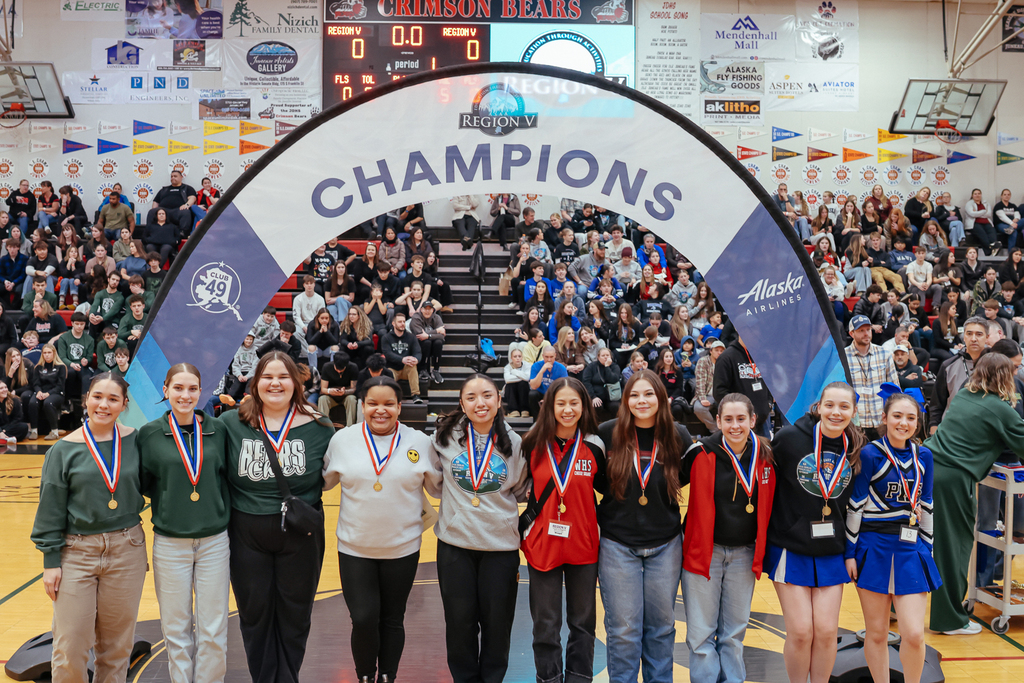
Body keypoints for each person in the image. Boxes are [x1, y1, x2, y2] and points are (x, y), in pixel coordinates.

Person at [221, 352, 335, 683]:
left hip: (301, 535)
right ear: (255, 383)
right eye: (267, 377)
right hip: (247, 533)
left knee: (295, 615)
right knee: (254, 615)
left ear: (296, 383)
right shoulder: (231, 423)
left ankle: (288, 678)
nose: (275, 383)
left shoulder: (320, 427)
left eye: (283, 377)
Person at [322, 376, 442, 683]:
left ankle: (388, 676)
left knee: (392, 618)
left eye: (389, 404)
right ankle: (365, 676)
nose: (381, 410)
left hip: (402, 548)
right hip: (354, 548)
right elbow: (322, 482)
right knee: (363, 619)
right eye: (373, 404)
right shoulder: (343, 440)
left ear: (400, 407)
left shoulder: (419, 442)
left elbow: (439, 489)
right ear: (362, 406)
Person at [30, 373, 146, 683]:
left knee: (117, 647)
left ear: (124, 404)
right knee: (71, 646)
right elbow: (50, 509)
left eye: (112, 399)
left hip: (127, 550)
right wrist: (50, 561)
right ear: (86, 399)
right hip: (76, 553)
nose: (103, 405)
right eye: (97, 396)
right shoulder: (63, 450)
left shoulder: (136, 440)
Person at [595, 370, 691, 683]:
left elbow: (689, 477)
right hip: (617, 543)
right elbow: (597, 481)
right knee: (623, 629)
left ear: (661, 398)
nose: (642, 401)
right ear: (626, 400)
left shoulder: (679, 436)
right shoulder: (608, 433)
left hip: (665, 544)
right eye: (635, 395)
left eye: (649, 394)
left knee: (662, 626)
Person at [431, 374, 527, 683]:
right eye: (471, 397)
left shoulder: (515, 443)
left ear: (499, 400)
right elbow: (433, 483)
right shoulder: (443, 438)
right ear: (461, 403)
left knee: (498, 626)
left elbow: (520, 488)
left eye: (487, 395)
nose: (480, 403)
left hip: (500, 549)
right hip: (455, 546)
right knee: (459, 625)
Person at [138, 363, 230, 683]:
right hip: (169, 543)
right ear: (165, 391)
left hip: (215, 542)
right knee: (175, 629)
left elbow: (227, 480)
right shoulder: (148, 434)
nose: (185, 395)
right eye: (178, 388)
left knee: (213, 628)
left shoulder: (219, 431)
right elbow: (143, 483)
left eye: (192, 389)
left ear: (201, 392)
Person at [767, 382, 865, 683]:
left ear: (853, 411)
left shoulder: (857, 447)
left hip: (832, 550)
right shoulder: (788, 440)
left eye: (844, 407)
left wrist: (851, 552)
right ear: (818, 406)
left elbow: (855, 507)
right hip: (789, 546)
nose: (836, 412)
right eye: (830, 405)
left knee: (826, 632)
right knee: (800, 632)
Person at [926, 353, 1024, 634]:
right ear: (1005, 376)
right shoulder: (999, 408)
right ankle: (949, 620)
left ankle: (897, 608)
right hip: (952, 478)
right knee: (953, 548)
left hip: (930, 466)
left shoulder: (965, 396)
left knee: (924, 544)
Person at [682, 393, 776, 683]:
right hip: (704, 553)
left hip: (745, 553)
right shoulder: (700, 453)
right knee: (701, 634)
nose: (735, 426)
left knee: (734, 633)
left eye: (741, 419)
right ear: (718, 421)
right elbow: (667, 485)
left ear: (752, 420)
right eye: (728, 419)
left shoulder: (767, 455)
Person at [846, 391, 939, 683]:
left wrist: (928, 550)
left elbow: (927, 505)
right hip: (873, 547)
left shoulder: (924, 455)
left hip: (911, 549)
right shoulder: (870, 453)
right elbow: (855, 505)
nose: (904, 423)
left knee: (913, 633)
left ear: (918, 423)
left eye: (911, 418)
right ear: (884, 419)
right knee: (876, 633)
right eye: (897, 416)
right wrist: (850, 552)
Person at [520, 377, 604, 683]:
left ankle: (580, 678)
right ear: (548, 406)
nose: (568, 410)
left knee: (583, 623)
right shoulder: (531, 443)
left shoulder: (596, 445)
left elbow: (607, 489)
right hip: (543, 544)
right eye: (561, 403)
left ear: (584, 406)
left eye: (574, 403)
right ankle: (549, 679)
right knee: (546, 623)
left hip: (583, 545)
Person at [928, 316, 988, 433]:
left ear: (987, 337)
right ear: (963, 337)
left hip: (985, 432)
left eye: (979, 334)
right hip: (953, 432)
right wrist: (933, 431)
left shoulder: (997, 366)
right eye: (969, 334)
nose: (973, 338)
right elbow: (936, 404)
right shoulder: (948, 366)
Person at [845, 315, 899, 439]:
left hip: (880, 422)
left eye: (868, 329)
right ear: (852, 333)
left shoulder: (885, 354)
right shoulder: (843, 357)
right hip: (855, 424)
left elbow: (894, 390)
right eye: (861, 331)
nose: (866, 334)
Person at [713, 335, 772, 438]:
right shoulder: (726, 357)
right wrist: (739, 411)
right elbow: (719, 392)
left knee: (765, 453)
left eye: (757, 329)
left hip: (763, 421)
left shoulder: (763, 355)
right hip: (739, 425)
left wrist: (769, 403)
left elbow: (769, 382)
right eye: (751, 329)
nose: (755, 333)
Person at [380, 312, 422, 404]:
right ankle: (389, 397)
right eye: (400, 322)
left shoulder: (411, 337)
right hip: (392, 368)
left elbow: (418, 352)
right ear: (393, 323)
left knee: (412, 365)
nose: (402, 324)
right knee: (388, 372)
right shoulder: (386, 338)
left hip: (406, 369)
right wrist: (402, 359)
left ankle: (416, 395)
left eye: (403, 321)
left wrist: (416, 359)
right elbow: (388, 354)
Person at [27, 343, 65, 441]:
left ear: (54, 353)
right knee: (32, 402)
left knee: (48, 403)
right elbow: (35, 383)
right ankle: (34, 431)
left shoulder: (61, 367)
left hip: (56, 392)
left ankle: (54, 432)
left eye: (49, 352)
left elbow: (60, 386)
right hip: (41, 392)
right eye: (45, 353)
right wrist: (39, 392)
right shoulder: (38, 367)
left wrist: (48, 393)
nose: (47, 355)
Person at [147, 170, 196, 237]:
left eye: (175, 176)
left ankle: (183, 233)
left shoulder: (187, 188)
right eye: (172, 176)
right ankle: (150, 232)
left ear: (181, 177)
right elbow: (156, 202)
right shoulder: (164, 189)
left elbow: (192, 198)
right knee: (151, 212)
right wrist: (155, 211)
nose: (173, 178)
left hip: (178, 211)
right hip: (164, 211)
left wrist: (186, 205)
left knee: (185, 212)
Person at [318, 351, 359, 427]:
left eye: (342, 369)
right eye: (337, 369)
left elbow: (353, 389)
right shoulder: (327, 367)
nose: (339, 371)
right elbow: (323, 389)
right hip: (330, 396)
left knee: (352, 399)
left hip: (346, 396)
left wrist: (345, 392)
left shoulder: (353, 367)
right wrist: (330, 391)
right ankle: (323, 426)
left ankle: (350, 427)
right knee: (322, 399)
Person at [410, 300, 446, 385]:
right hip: (419, 344)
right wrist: (437, 331)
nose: (427, 311)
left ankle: (436, 370)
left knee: (438, 342)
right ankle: (423, 369)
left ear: (433, 310)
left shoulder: (437, 317)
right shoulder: (416, 317)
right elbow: (419, 335)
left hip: (432, 343)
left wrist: (428, 336)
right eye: (425, 309)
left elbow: (442, 336)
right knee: (427, 342)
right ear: (421, 309)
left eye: (429, 309)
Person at [693, 338, 725, 432]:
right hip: (707, 394)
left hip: (722, 395)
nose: (719, 353)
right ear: (711, 351)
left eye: (721, 351)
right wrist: (702, 398)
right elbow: (700, 381)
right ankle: (716, 431)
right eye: (716, 350)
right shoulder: (703, 361)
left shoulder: (726, 362)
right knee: (699, 408)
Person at [529, 345, 569, 417]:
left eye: (551, 357)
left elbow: (564, 388)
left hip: (555, 393)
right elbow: (533, 386)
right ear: (543, 356)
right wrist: (542, 371)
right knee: (532, 394)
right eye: (546, 357)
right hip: (540, 392)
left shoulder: (561, 368)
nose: (549, 360)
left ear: (555, 356)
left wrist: (549, 398)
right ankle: (537, 419)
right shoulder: (535, 366)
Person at [964, 188, 997, 254]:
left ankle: (992, 250)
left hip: (986, 222)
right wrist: (984, 211)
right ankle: (990, 251)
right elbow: (972, 214)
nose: (977, 195)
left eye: (979, 193)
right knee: (983, 236)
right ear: (972, 195)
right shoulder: (969, 203)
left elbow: (989, 214)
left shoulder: (986, 203)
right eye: (975, 194)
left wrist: (977, 213)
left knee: (992, 235)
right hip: (974, 223)